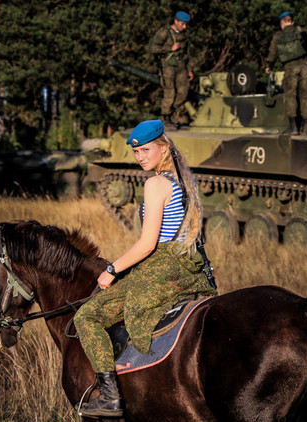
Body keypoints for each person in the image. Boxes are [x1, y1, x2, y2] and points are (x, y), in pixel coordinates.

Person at [73, 120, 216, 418]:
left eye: (146, 150)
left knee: (86, 316)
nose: (140, 157)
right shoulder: (184, 181)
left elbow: (148, 244)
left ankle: (110, 397)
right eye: (137, 153)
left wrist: (111, 269)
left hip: (160, 267)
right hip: (186, 269)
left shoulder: (155, 184)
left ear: (163, 148)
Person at [265, 11, 307, 135]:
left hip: (290, 67)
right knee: (305, 96)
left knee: (291, 96)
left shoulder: (278, 36)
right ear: (292, 21)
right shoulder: (302, 31)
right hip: (305, 66)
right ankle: (305, 127)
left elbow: (272, 53)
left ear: (282, 23)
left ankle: (293, 127)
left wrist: (269, 65)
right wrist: (306, 51)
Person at [150, 11, 194, 127]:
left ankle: (173, 112)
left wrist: (189, 69)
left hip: (181, 66)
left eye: (186, 24)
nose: (184, 27)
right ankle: (167, 117)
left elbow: (187, 53)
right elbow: (154, 48)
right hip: (168, 66)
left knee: (183, 92)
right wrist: (170, 48)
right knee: (170, 92)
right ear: (175, 21)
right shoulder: (165, 32)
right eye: (182, 24)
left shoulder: (184, 35)